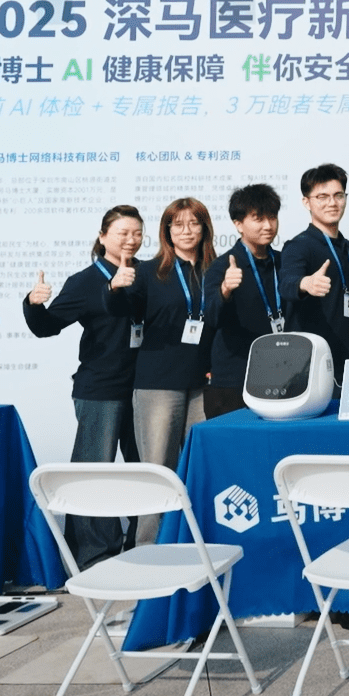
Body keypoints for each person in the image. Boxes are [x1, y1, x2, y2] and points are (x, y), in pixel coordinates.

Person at [22, 204, 144, 568]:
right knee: (94, 472)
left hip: (144, 389)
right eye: (122, 233)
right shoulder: (84, 281)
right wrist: (33, 304)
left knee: (144, 469)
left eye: (137, 233)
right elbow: (46, 327)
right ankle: (94, 555)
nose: (131, 239)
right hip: (100, 390)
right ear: (103, 236)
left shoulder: (148, 274)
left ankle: (141, 543)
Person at [121, 198, 218, 546]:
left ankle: (196, 544)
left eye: (193, 223)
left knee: (201, 468)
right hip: (158, 385)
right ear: (166, 231)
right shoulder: (148, 272)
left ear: (204, 228)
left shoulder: (216, 271)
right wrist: (115, 287)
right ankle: (149, 550)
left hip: (202, 384)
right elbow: (121, 309)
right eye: (178, 224)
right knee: (158, 470)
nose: (186, 231)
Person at [203, 184, 288, 419]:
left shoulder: (283, 263)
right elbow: (210, 317)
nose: (268, 225)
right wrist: (225, 290)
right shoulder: (222, 266)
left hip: (281, 374)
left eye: (272, 217)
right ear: (238, 224)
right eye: (258, 219)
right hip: (234, 377)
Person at [281, 164, 349, 381]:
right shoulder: (299, 246)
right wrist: (305, 283)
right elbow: (286, 284)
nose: (332, 203)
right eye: (322, 197)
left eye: (338, 195)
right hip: (311, 364)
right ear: (306, 202)